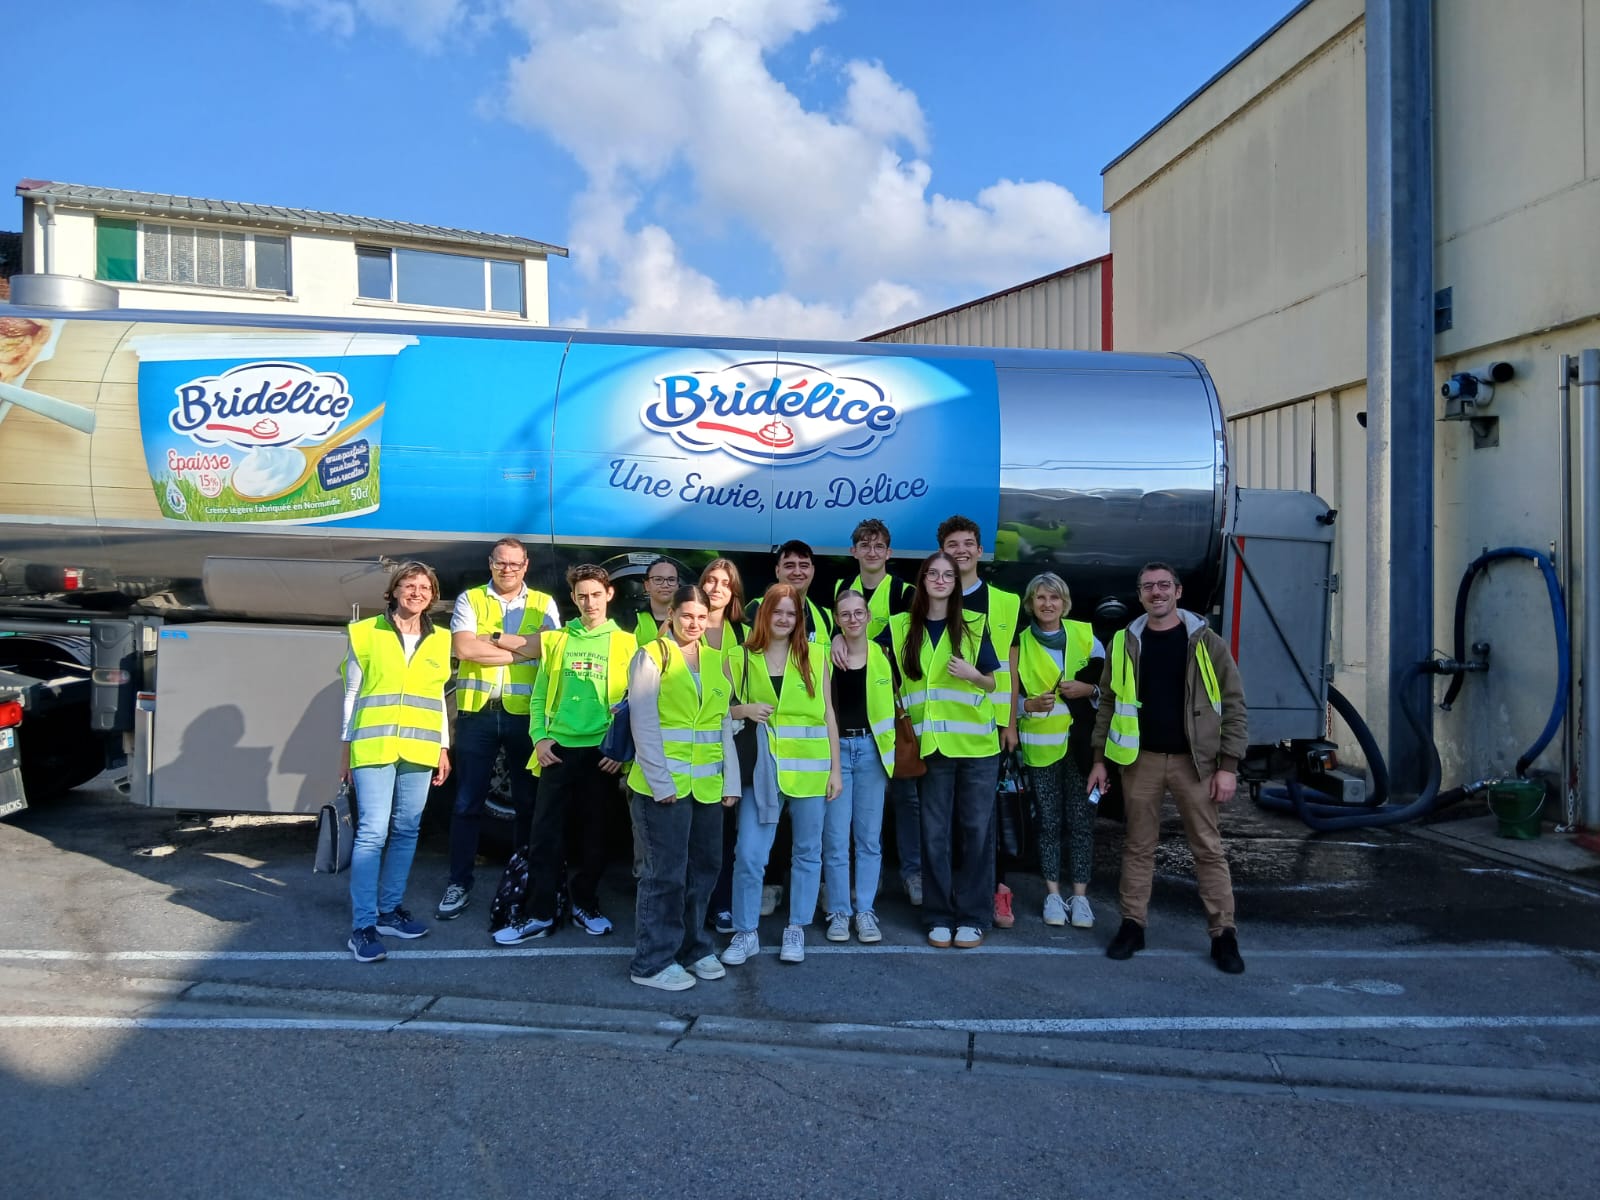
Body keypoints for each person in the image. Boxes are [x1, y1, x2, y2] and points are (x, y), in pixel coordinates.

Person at [1087, 562, 1249, 974]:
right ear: (1140, 594)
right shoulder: (1125, 641)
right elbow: (1108, 702)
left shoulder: (1207, 642)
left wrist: (1228, 766)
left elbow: (1233, 704)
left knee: (1207, 848)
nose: (1156, 592)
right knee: (1138, 847)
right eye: (1148, 587)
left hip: (1195, 764)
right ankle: (1132, 925)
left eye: (1164, 585)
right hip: (1140, 761)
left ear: (1178, 592)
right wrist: (1099, 760)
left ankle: (1223, 934)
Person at [494, 565, 635, 944]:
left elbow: (634, 701)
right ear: (573, 598)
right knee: (545, 835)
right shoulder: (556, 640)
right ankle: (539, 913)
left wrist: (622, 751)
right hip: (557, 750)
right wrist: (540, 739)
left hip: (602, 753)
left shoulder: (626, 643)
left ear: (609, 595)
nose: (590, 602)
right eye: (582, 596)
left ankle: (585, 905)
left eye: (596, 594)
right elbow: (540, 694)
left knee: (595, 836)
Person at [880, 553, 1001, 949]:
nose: (940, 579)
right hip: (931, 748)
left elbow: (992, 684)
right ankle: (938, 915)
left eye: (948, 574)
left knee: (976, 832)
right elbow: (867, 657)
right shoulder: (900, 627)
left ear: (956, 582)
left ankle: (973, 916)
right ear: (922, 580)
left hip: (977, 747)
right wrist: (840, 648)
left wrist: (973, 675)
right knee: (934, 834)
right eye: (932, 573)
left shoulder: (974, 624)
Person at [624, 584, 742, 990]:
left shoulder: (715, 660)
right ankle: (651, 962)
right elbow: (642, 722)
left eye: (701, 617)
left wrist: (731, 780)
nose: (694, 623)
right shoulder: (651, 655)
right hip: (663, 788)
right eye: (686, 615)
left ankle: (694, 948)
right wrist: (660, 782)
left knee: (704, 870)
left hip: (707, 787)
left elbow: (722, 724)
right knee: (664, 875)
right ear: (671, 614)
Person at [439, 537, 560, 921]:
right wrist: (520, 651)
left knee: (528, 805)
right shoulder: (470, 599)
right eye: (500, 562)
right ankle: (459, 883)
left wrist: (491, 639)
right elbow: (464, 649)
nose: (507, 569)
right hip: (477, 713)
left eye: (514, 563)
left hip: (525, 716)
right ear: (490, 563)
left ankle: (522, 879)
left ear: (526, 566)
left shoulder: (543, 602)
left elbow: (550, 648)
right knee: (466, 804)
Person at [723, 583, 842, 966]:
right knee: (749, 854)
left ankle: (796, 927)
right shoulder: (738, 657)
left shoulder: (817, 655)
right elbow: (717, 710)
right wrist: (743, 710)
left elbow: (828, 714)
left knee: (807, 853)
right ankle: (745, 932)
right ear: (764, 614)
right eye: (778, 611)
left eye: (792, 613)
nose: (785, 619)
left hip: (811, 769)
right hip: (762, 769)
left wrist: (836, 770)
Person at [341, 562, 452, 962]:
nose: (417, 592)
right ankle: (363, 927)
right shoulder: (365, 632)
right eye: (409, 585)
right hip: (373, 745)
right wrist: (345, 749)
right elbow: (352, 694)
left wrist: (443, 747)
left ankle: (389, 912)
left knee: (406, 830)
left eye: (424, 587)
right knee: (372, 834)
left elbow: (437, 698)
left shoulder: (440, 638)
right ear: (394, 591)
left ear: (432, 595)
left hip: (420, 748)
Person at [937, 515, 1022, 928]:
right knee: (948, 822)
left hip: (987, 728)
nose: (961, 551)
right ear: (941, 552)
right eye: (952, 545)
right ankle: (958, 893)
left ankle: (996, 892)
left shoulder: (1005, 602)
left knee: (985, 820)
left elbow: (1011, 665)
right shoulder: (933, 595)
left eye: (968, 543)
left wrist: (1010, 723)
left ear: (980, 550)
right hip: (944, 730)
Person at [830, 519, 919, 904]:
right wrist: (837, 636)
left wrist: (859, 642)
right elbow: (830, 631)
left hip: (891, 710)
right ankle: (865, 884)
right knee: (854, 822)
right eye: (864, 545)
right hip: (852, 716)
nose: (871, 551)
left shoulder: (904, 591)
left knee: (906, 799)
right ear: (853, 551)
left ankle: (912, 874)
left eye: (878, 545)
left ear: (889, 552)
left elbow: (909, 639)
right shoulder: (839, 587)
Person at [1012, 572, 1104, 928]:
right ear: (1030, 603)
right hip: (1041, 747)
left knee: (1082, 824)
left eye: (1054, 597)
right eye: (1040, 597)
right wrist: (1028, 706)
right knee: (1048, 823)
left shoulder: (1087, 636)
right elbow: (1006, 697)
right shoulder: (1019, 643)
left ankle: (1080, 897)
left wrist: (1089, 690)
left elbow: (1113, 690)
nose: (1047, 604)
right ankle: (1052, 894)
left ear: (1064, 603)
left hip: (1083, 748)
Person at [820, 588, 895, 943]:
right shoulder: (824, 655)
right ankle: (839, 911)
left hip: (872, 752)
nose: (852, 619)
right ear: (837, 620)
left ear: (868, 617)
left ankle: (865, 910)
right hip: (835, 753)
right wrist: (835, 641)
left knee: (868, 840)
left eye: (858, 613)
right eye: (845, 614)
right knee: (835, 839)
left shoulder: (884, 654)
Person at [701, 557, 750, 935]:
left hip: (735, 739)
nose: (716, 588)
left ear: (734, 592)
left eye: (725, 583)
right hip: (696, 740)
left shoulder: (746, 633)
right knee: (697, 828)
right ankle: (695, 904)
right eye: (711, 580)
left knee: (726, 828)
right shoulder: (684, 625)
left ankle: (721, 905)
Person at [746, 539, 833, 643]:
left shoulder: (825, 616)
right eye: (789, 566)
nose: (797, 572)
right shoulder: (756, 609)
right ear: (777, 571)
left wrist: (838, 638)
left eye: (804, 566)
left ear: (813, 571)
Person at [633, 558, 679, 645]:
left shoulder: (689, 619)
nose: (665, 585)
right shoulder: (629, 620)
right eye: (658, 579)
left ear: (678, 585)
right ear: (647, 585)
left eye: (671, 580)